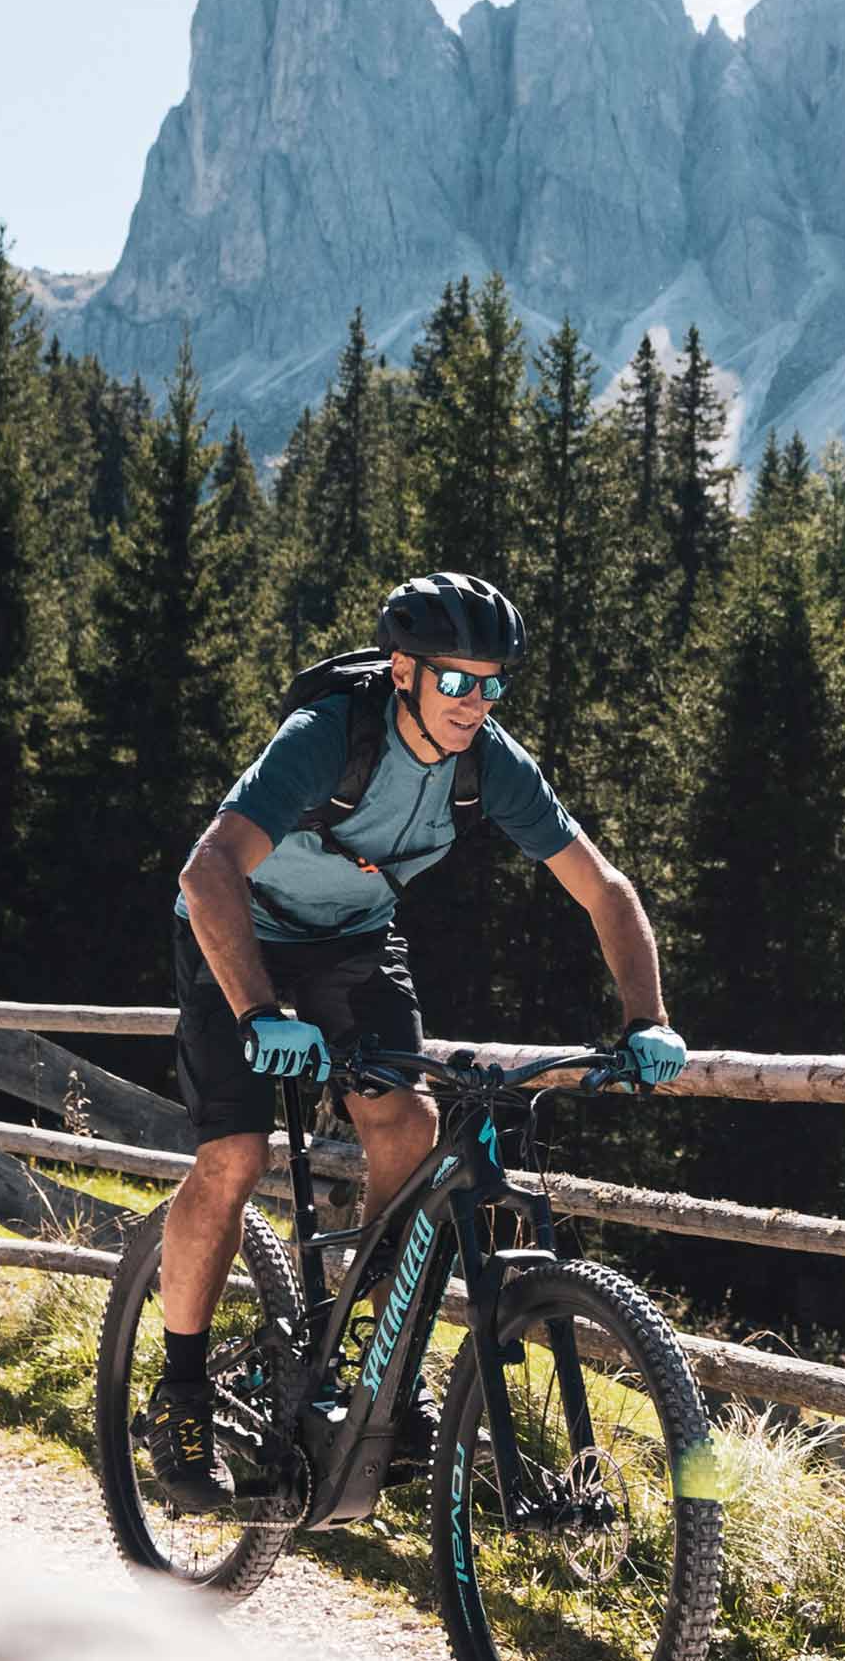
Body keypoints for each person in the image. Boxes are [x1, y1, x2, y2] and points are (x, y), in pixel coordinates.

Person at [152, 571, 688, 1511]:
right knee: (234, 1157)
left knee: (409, 1129)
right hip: (241, 936)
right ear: (403, 671)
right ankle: (182, 1390)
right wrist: (256, 1011)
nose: (474, 704)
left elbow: (608, 892)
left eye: (492, 685)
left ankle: (372, 1367)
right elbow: (208, 873)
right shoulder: (330, 738)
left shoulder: (491, 764)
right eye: (455, 682)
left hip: (356, 947)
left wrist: (649, 1019)